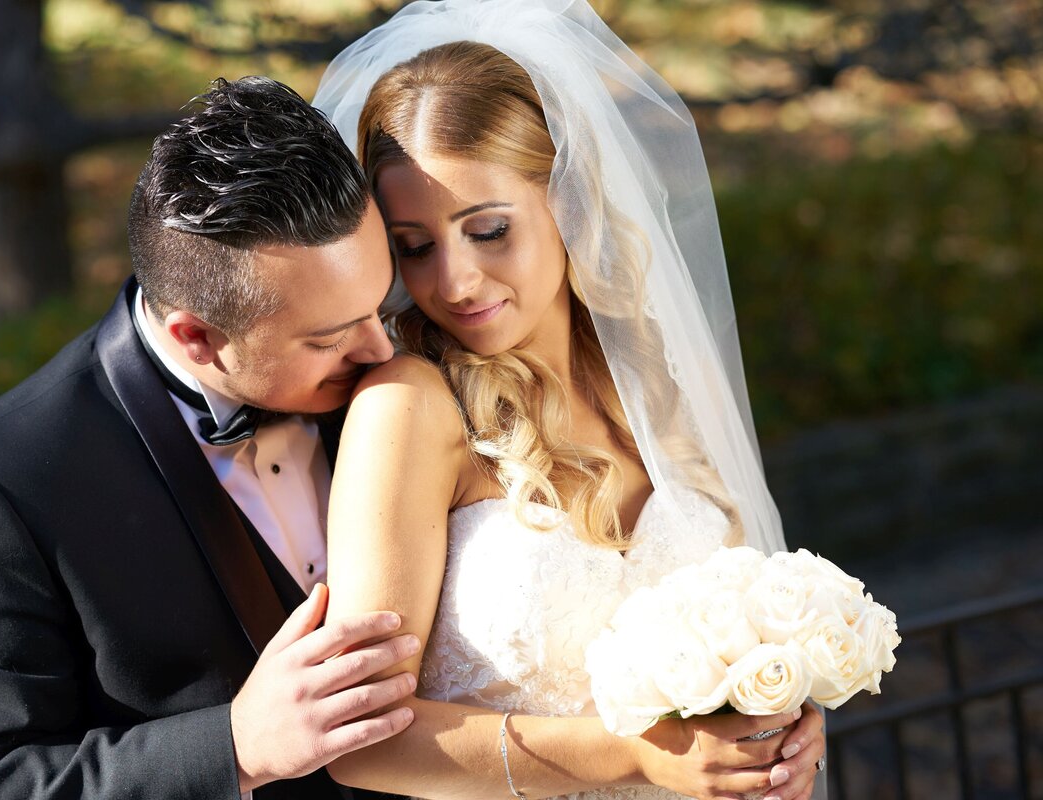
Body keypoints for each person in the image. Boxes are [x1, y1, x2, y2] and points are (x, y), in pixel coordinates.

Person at [312, 1, 828, 798]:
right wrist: (632, 755)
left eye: (487, 230)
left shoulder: (650, 373)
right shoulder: (411, 406)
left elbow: (743, 630)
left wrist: (778, 721)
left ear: (567, 196)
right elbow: (360, 740)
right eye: (414, 247)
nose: (453, 282)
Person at [0, 77, 420, 799]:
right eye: (330, 338)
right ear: (197, 336)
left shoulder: (415, 367)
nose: (381, 350)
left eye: (380, 303)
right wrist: (234, 748)